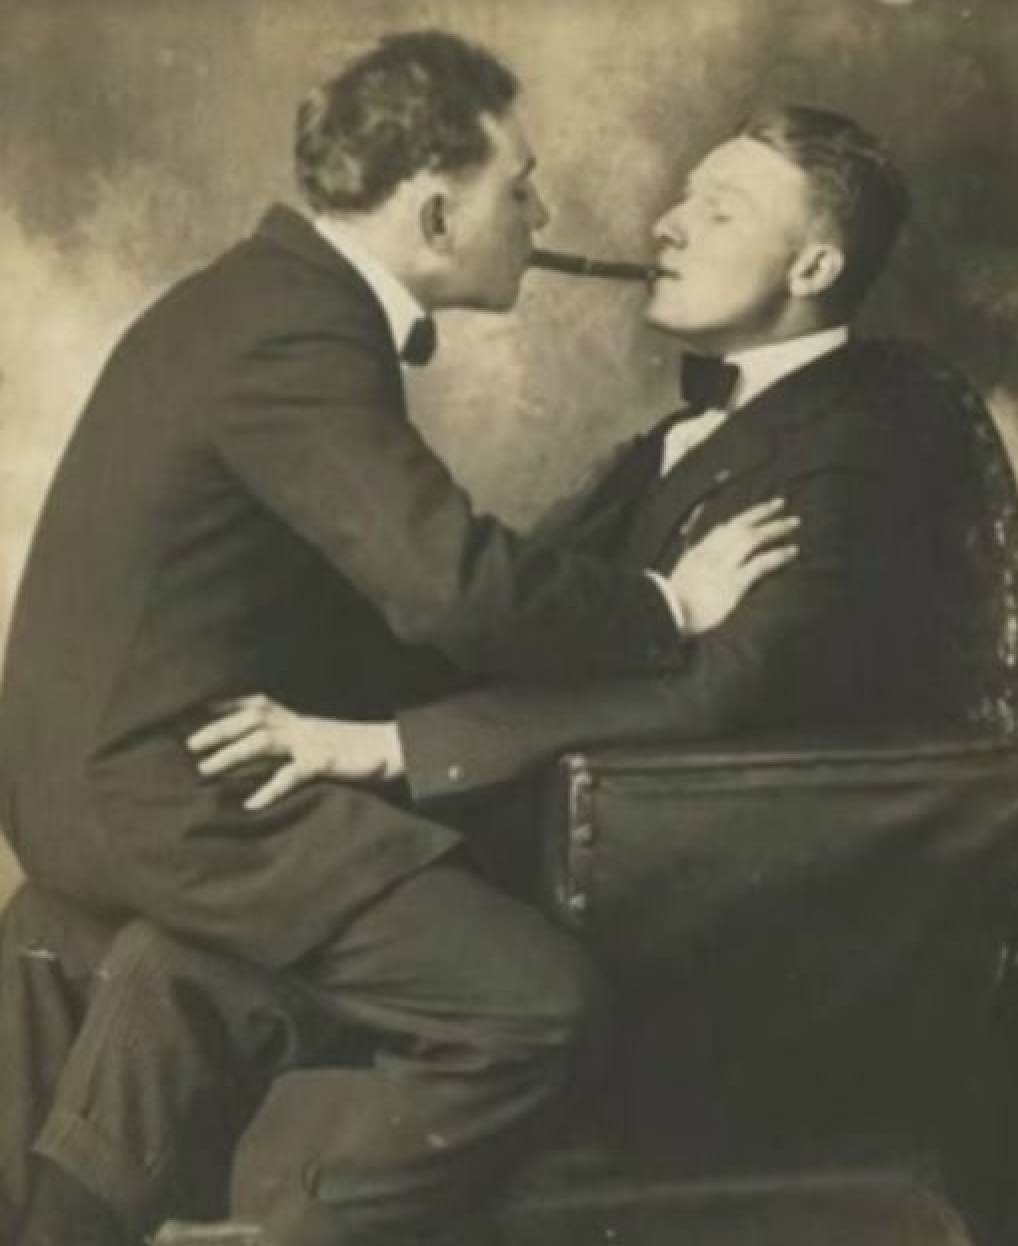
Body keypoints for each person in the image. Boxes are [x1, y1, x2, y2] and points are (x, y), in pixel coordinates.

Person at [0, 30, 794, 1246]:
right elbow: (449, 590)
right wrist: (666, 607)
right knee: (534, 1006)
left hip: (104, 780)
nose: (540, 211)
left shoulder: (265, 297)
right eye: (518, 187)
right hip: (161, 796)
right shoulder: (292, 331)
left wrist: (384, 740)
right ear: (433, 216)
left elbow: (381, 609)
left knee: (210, 976)